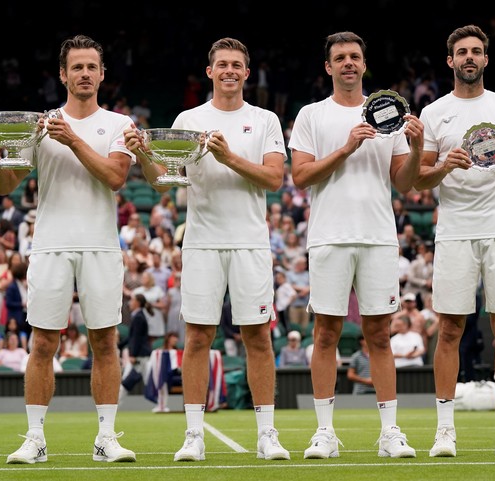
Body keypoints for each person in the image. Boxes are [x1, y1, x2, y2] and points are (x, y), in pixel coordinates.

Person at [0, 34, 136, 464]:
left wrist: (72, 139)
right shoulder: (39, 125)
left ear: (101, 74)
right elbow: (5, 184)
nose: (84, 74)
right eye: (76, 67)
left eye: (91, 67)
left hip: (100, 245)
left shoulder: (118, 125)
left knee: (104, 342)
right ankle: (35, 439)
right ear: (62, 74)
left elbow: (115, 178)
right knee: (42, 343)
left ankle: (106, 438)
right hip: (51, 245)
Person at [124, 37, 290, 462]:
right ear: (210, 71)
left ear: (246, 73)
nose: (230, 70)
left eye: (237, 64)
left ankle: (267, 434)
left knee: (258, 337)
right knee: (197, 337)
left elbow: (273, 180)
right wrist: (144, 155)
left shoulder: (265, 119)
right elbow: (165, 179)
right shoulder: (188, 118)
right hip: (201, 241)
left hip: (250, 243)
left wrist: (229, 156)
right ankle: (193, 435)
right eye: (222, 64)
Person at [289, 31, 424, 460]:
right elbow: (301, 176)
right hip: (329, 237)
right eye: (340, 57)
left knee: (380, 336)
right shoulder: (311, 115)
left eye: (355, 57)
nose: (348, 63)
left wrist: (417, 148)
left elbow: (403, 183)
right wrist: (348, 146)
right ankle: (325, 432)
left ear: (364, 65)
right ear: (328, 67)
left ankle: (390, 433)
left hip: (378, 237)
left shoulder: (391, 116)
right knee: (325, 333)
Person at [414, 25, 495, 457]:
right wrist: (445, 165)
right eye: (462, 52)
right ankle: (444, 431)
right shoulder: (434, 113)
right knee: (450, 328)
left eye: (477, 52)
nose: (469, 57)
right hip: (455, 230)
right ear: (450, 61)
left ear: (485, 60)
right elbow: (419, 179)